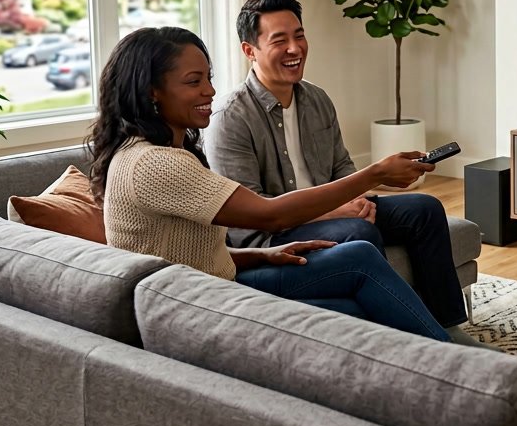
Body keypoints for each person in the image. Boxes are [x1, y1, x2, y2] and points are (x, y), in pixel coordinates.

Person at [89, 26, 450, 342]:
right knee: (355, 284)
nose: (209, 91)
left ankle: (443, 351)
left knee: (355, 281)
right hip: (197, 304)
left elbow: (178, 255)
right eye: (193, 82)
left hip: (207, 285)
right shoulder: (156, 164)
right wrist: (375, 174)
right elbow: (270, 216)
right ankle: (453, 365)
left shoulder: (152, 152)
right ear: (153, 91)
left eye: (208, 78)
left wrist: (261, 256)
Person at [205, 0, 471, 338]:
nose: (294, 48)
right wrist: (335, 212)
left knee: (424, 208)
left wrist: (357, 199)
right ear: (249, 50)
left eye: (299, 36)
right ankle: (393, 335)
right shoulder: (230, 118)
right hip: (275, 232)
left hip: (330, 208)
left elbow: (342, 166)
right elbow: (251, 217)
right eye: (279, 40)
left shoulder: (316, 99)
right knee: (359, 233)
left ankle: (447, 325)